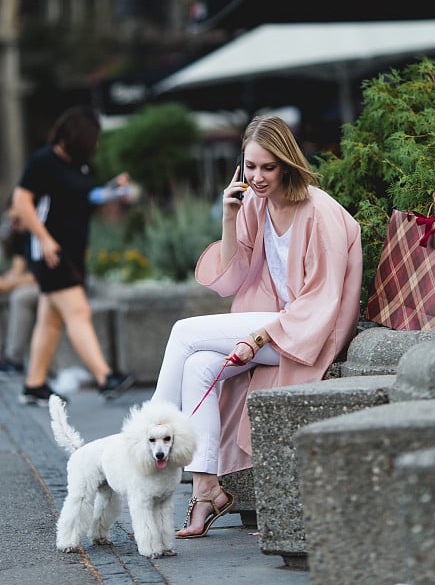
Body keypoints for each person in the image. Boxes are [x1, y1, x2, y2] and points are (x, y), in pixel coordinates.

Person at [152, 114, 363, 538]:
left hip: (305, 330)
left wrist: (259, 336)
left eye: (268, 166)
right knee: (198, 368)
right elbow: (230, 278)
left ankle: (149, 429)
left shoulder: (319, 212)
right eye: (250, 167)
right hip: (270, 324)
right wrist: (230, 217)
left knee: (183, 332)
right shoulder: (254, 203)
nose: (258, 177)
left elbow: (322, 300)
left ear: (287, 162)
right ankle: (207, 487)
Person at [12, 105, 135, 406]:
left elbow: (83, 199)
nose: (95, 145)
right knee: (78, 312)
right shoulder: (43, 161)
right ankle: (106, 377)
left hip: (73, 252)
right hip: (50, 252)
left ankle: (34, 384)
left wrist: (112, 190)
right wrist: (45, 239)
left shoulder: (80, 167)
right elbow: (21, 201)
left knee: (50, 320)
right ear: (77, 135)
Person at [0, 195, 38, 375]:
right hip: (34, 282)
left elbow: (39, 276)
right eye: (11, 220)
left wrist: (9, 284)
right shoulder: (20, 236)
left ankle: (14, 359)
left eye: (16, 219)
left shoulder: (40, 231)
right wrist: (6, 281)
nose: (13, 225)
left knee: (20, 297)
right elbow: (17, 271)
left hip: (54, 284)